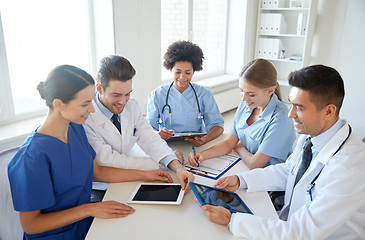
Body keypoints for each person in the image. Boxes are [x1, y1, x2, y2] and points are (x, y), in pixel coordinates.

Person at [195, 65, 365, 239]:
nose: (291, 114)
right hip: (289, 224)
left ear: (328, 111)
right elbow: (288, 170)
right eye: (291, 104)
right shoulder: (311, 135)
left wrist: (233, 221)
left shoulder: (349, 168)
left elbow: (300, 233)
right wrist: (241, 180)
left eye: (299, 107)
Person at [7, 65, 173, 239]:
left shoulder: (75, 129)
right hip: (56, 234)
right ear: (59, 104)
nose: (92, 109)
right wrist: (90, 209)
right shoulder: (31, 158)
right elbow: (31, 225)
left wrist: (145, 175)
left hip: (85, 222)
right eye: (85, 104)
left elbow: (98, 172)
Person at [84, 55, 194, 190]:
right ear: (99, 89)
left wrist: (176, 166)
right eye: (116, 95)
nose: (123, 102)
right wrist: (160, 164)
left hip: (133, 178)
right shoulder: (86, 118)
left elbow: (149, 137)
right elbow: (108, 161)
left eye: (127, 94)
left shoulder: (132, 105)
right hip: (102, 187)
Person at [188, 59, 296, 169]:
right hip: (243, 164)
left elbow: (255, 164)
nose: (244, 98)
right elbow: (230, 142)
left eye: (251, 94)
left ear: (270, 91)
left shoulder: (281, 119)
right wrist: (202, 154)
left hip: (268, 175)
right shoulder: (248, 104)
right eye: (242, 91)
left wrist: (239, 147)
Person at [147, 40, 224, 147]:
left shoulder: (204, 94)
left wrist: (205, 139)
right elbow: (148, 127)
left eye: (188, 72)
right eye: (177, 72)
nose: (182, 77)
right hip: (167, 145)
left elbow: (218, 126)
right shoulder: (157, 94)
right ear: (170, 69)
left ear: (194, 71)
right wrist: (157, 134)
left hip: (196, 143)